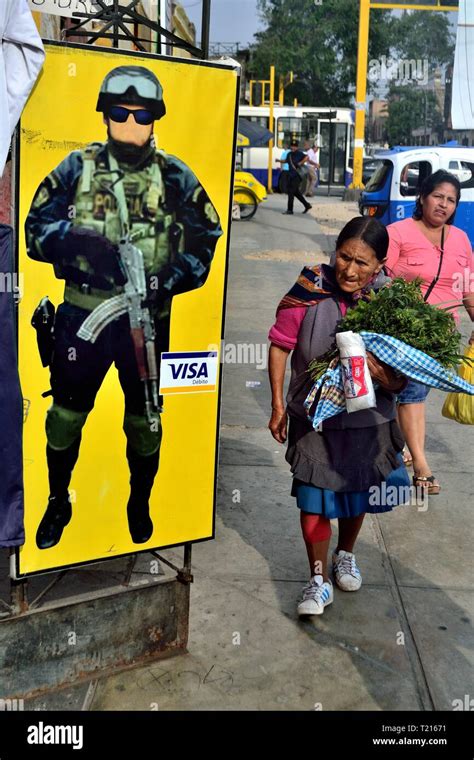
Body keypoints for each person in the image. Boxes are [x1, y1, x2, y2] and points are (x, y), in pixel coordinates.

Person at [25, 65, 223, 549]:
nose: (130, 123)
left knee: (145, 420)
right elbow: (33, 230)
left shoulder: (173, 175)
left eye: (141, 114)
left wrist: (169, 278)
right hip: (82, 317)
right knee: (66, 416)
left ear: (156, 119)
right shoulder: (77, 168)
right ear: (104, 116)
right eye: (119, 113)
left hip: (146, 323)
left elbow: (207, 234)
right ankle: (57, 500)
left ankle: (139, 499)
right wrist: (79, 243)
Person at [268, 216, 409, 617]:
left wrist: (384, 375)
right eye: (344, 257)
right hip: (315, 417)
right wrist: (278, 404)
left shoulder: (389, 302)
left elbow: (403, 376)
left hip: (369, 421)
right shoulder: (310, 287)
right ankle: (317, 579)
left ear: (379, 265)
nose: (349, 269)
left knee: (356, 491)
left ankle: (344, 554)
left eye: (362, 263)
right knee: (313, 498)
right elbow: (280, 345)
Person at [387, 169, 474, 495]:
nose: (444, 204)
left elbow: (468, 287)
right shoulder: (398, 233)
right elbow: (379, 279)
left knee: (411, 395)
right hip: (401, 331)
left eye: (451, 200)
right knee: (410, 395)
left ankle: (401, 450)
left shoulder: (461, 239)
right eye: (438, 196)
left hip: (440, 338)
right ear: (422, 197)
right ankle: (421, 465)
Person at [282, 140, 311, 215]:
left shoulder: (299, 153)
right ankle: (307, 205)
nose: (293, 147)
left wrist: (300, 163)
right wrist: (279, 160)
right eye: (292, 146)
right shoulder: (289, 154)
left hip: (297, 175)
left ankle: (290, 210)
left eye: (295, 146)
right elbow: (286, 161)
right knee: (296, 192)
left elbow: (307, 157)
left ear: (297, 147)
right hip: (290, 175)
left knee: (291, 191)